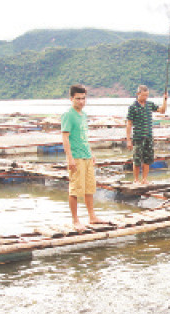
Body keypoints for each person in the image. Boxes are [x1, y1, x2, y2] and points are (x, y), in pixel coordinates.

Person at [62, 84, 105, 230]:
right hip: (76, 157)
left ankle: (92, 216)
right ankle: (75, 220)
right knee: (75, 189)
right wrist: (70, 158)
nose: (81, 101)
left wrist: (91, 153)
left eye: (83, 98)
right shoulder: (68, 115)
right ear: (71, 99)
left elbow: (84, 136)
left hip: (86, 155)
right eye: (78, 99)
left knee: (89, 187)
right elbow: (65, 137)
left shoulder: (83, 115)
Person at [126, 85, 168, 184]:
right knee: (136, 160)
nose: (145, 97)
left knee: (147, 159)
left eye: (147, 95)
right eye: (143, 95)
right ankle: (136, 179)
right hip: (138, 137)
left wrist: (165, 100)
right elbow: (129, 123)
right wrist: (128, 139)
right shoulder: (133, 107)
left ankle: (144, 179)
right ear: (138, 94)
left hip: (148, 136)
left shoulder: (149, 104)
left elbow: (162, 110)